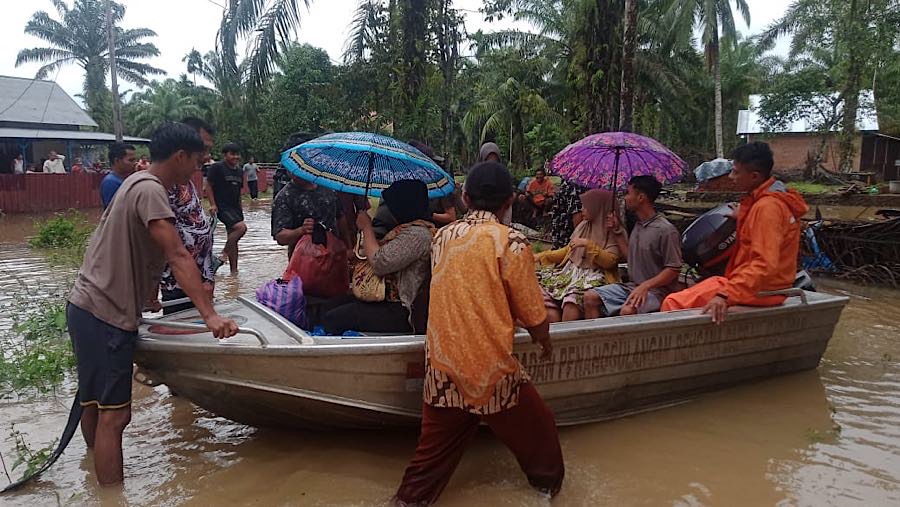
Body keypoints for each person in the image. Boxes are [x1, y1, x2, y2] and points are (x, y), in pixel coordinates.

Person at [66, 122, 238, 486]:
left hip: (86, 306)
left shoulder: (135, 185)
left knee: (93, 404)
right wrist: (209, 314)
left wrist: (147, 294)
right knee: (117, 416)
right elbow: (176, 253)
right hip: (105, 313)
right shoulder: (151, 190)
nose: (196, 170)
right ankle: (112, 495)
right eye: (196, 161)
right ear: (180, 157)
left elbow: (137, 244)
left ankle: (92, 473)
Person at [395, 161, 564, 505]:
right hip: (491, 373)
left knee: (424, 474)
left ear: (465, 197)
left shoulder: (442, 237)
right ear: (510, 201)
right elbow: (534, 315)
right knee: (543, 440)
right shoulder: (512, 242)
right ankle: (549, 493)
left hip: (442, 370)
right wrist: (544, 341)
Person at [661, 142, 809, 323]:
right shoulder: (764, 201)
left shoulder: (767, 209)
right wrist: (745, 214)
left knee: (672, 302)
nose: (731, 177)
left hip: (763, 290)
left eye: (736, 172)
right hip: (763, 285)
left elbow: (764, 264)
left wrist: (725, 294)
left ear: (754, 176)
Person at [322, 180, 434, 335]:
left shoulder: (418, 235)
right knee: (330, 306)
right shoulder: (404, 229)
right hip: (383, 299)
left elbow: (380, 263)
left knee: (334, 319)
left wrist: (367, 227)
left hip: (400, 309)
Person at [584, 176, 683, 318]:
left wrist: (646, 286)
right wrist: (617, 231)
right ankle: (597, 339)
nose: (625, 198)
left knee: (628, 311)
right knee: (590, 297)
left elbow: (673, 268)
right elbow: (631, 257)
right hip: (632, 287)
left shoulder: (666, 230)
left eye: (628, 193)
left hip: (658, 292)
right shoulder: (638, 225)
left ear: (641, 197)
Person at [535, 189, 625, 322]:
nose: (582, 209)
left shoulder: (613, 232)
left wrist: (589, 245)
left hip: (594, 275)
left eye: (586, 207)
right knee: (536, 285)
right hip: (571, 273)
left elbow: (610, 262)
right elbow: (569, 251)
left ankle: (569, 336)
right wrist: (542, 256)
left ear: (597, 208)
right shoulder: (583, 225)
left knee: (572, 301)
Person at [158, 117, 218, 314]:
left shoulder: (186, 182)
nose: (207, 156)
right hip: (180, 287)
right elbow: (171, 250)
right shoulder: (161, 187)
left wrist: (208, 279)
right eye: (203, 148)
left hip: (199, 285)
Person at [271, 173, 352, 261]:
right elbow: (280, 237)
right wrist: (301, 230)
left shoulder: (329, 188)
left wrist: (348, 247)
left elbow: (340, 218)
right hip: (303, 261)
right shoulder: (284, 197)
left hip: (334, 256)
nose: (294, 173)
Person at [206, 143, 247, 273]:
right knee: (241, 228)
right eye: (232, 154)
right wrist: (212, 204)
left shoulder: (240, 171)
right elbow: (208, 185)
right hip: (221, 206)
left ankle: (234, 272)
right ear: (225, 155)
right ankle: (223, 255)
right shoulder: (217, 167)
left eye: (237, 154)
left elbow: (238, 192)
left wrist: (240, 209)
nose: (236, 157)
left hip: (235, 207)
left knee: (233, 238)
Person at [100, 143, 137, 209]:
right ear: (117, 161)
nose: (135, 163)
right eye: (131, 160)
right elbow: (115, 211)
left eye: (135, 160)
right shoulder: (110, 182)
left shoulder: (125, 179)